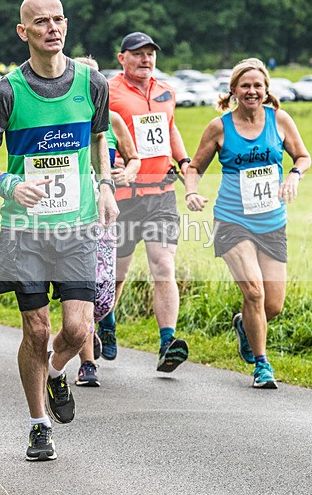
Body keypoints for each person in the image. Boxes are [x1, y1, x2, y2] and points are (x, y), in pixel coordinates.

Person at [0, 0, 118, 461]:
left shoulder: (92, 83)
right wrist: (10, 184)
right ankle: (38, 425)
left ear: (66, 25)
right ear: (23, 32)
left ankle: (55, 371)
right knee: (35, 330)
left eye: (58, 20)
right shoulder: (8, 91)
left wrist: (107, 185)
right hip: (25, 231)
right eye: (40, 22)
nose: (52, 28)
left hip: (76, 226)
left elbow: (99, 138)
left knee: (77, 330)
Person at [184, 57, 311, 389]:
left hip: (272, 220)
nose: (252, 91)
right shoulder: (219, 127)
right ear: (234, 91)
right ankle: (262, 364)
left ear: (266, 89)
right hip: (232, 220)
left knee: (273, 304)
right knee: (253, 291)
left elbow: (302, 155)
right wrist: (191, 193)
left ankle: (244, 324)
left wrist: (294, 176)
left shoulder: (279, 120)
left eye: (258, 85)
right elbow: (195, 166)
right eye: (246, 86)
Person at [102, 31, 192, 373]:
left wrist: (184, 162)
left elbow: (170, 129)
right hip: (124, 196)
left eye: (150, 54)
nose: (146, 59)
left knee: (163, 265)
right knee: (117, 273)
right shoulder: (108, 90)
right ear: (122, 57)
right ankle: (106, 323)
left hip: (161, 194)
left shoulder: (166, 90)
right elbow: (98, 133)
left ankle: (167, 342)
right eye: (138, 54)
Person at [70, 56, 140, 388]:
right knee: (81, 290)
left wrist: (126, 173)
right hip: (71, 216)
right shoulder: (65, 120)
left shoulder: (112, 120)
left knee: (102, 293)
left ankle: (102, 321)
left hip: (104, 216)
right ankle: (87, 363)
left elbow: (134, 158)